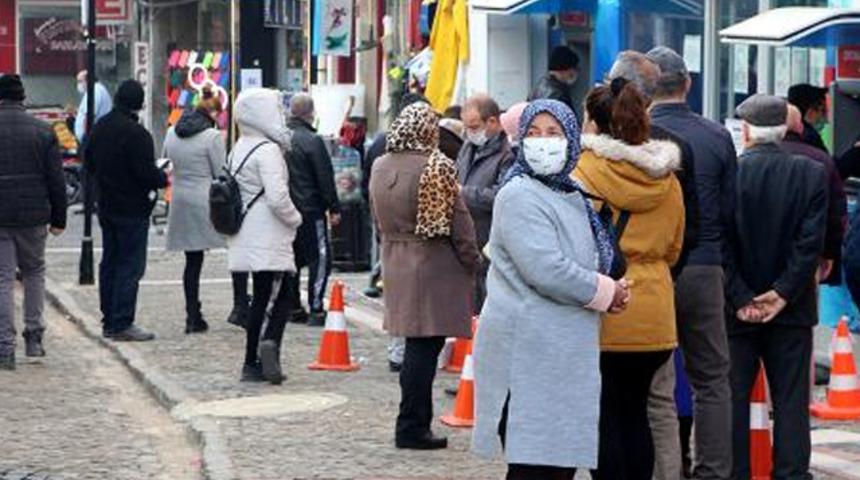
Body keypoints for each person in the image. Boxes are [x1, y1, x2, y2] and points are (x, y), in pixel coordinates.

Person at [472, 98, 628, 480]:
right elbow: (546, 269)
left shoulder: (571, 192)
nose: (543, 141)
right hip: (529, 350)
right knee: (536, 464)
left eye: (554, 133)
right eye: (534, 132)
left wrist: (608, 285)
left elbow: (588, 256)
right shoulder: (519, 193)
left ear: (572, 139)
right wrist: (605, 291)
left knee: (557, 461)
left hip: (562, 350)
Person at [574, 78, 686, 480]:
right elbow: (674, 248)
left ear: (593, 122)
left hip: (603, 304)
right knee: (637, 413)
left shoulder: (583, 173)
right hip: (654, 309)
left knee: (604, 415)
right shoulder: (666, 178)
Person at [608, 50, 700, 479]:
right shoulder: (672, 156)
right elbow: (686, 235)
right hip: (656, 298)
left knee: (609, 406)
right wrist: (660, 275)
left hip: (603, 299)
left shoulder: (590, 160)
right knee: (658, 403)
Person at [646, 45, 737, 480]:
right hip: (704, 267)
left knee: (653, 382)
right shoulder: (717, 136)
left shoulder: (638, 136)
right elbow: (731, 212)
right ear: (688, 84)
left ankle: (661, 468)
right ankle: (712, 470)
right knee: (712, 378)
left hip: (654, 269)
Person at [726, 94, 827, 480]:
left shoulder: (731, 174)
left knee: (733, 398)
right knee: (790, 401)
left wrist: (740, 295)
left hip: (737, 309)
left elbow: (721, 243)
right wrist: (783, 292)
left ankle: (735, 472)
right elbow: (809, 244)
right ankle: (791, 473)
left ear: (746, 131)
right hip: (793, 307)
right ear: (784, 130)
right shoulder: (810, 173)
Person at [369, 102, 481, 450]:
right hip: (432, 264)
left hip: (396, 259)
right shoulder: (437, 166)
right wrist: (472, 260)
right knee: (425, 348)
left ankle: (411, 423)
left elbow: (375, 216)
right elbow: (459, 222)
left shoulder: (380, 165)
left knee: (414, 345)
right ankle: (413, 426)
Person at [226, 88, 302, 384]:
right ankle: (261, 353)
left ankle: (257, 357)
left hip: (248, 231)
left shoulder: (239, 146)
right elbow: (277, 197)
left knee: (262, 296)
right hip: (269, 234)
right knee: (276, 297)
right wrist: (296, 218)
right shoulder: (268, 150)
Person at [86, 80, 168, 342]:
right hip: (132, 208)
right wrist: (162, 177)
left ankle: (109, 318)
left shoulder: (100, 127)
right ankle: (122, 321)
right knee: (130, 265)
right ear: (139, 104)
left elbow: (88, 163)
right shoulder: (137, 134)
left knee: (110, 262)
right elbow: (146, 174)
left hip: (107, 205)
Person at [0, 74, 66, 370]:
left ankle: (4, 347)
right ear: (23, 98)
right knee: (34, 272)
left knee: (3, 279)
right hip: (34, 215)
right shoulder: (43, 131)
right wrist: (59, 218)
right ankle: (34, 337)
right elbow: (56, 180)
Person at [162, 88, 227, 334]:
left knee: (192, 260)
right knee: (227, 248)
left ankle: (192, 312)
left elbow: (166, 161)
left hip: (180, 198)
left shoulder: (172, 132)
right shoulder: (212, 137)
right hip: (204, 199)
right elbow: (220, 172)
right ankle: (236, 306)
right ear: (213, 113)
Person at [280, 93, 340, 327]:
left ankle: (292, 305)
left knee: (291, 259)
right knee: (320, 258)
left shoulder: (281, 139)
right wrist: (333, 207)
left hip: (285, 209)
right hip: (310, 209)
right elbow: (324, 176)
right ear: (310, 113)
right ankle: (316, 307)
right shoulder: (312, 141)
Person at [457, 94, 515, 312]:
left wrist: (463, 193)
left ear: (492, 121)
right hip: (466, 239)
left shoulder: (508, 154)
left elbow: (503, 195)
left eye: (474, 127)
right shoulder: (467, 148)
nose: (470, 132)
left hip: (488, 241)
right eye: (466, 127)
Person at [781, 104, 847, 285]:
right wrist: (830, 253)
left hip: (763, 256)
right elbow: (836, 214)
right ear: (800, 127)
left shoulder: (750, 161)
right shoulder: (822, 159)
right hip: (809, 254)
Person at [529, 45, 581, 116]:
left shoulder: (537, 87)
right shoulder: (559, 97)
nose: (575, 73)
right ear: (565, 70)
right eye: (574, 69)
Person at [787, 84, 829, 153]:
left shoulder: (780, 134)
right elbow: (825, 159)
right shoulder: (811, 138)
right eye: (823, 111)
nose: (826, 119)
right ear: (810, 111)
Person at [74, 70, 113, 143]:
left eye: (80, 81)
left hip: (91, 140)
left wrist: (86, 139)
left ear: (88, 80)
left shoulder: (94, 91)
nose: (78, 85)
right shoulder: (97, 89)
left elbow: (89, 116)